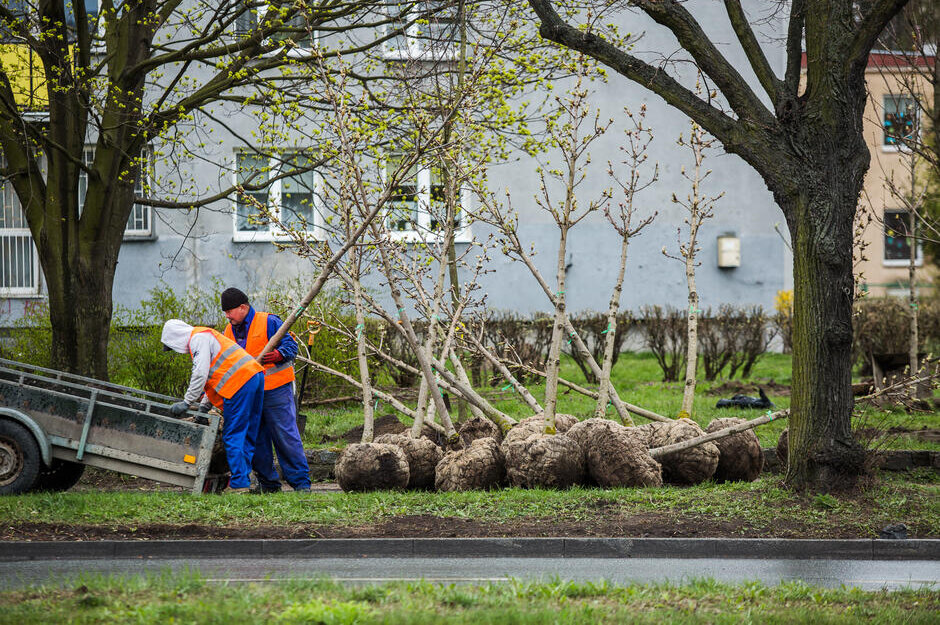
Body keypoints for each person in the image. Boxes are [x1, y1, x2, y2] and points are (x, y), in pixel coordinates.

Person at [220, 287, 311, 493]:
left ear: (243, 307)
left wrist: (279, 354)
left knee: (285, 436)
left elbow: (290, 346)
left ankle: (301, 484)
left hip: (276, 390)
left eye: (230, 311)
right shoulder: (227, 331)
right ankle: (269, 485)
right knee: (257, 439)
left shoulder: (269, 321)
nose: (227, 316)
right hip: (248, 395)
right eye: (225, 312)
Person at [161, 318, 264, 494]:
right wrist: (203, 407)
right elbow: (216, 375)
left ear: (175, 338)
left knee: (233, 435)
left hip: (238, 383)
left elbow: (200, 374)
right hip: (254, 376)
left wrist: (187, 402)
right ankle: (247, 480)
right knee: (247, 433)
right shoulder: (206, 336)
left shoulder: (197, 339)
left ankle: (239, 485)